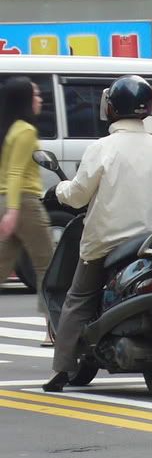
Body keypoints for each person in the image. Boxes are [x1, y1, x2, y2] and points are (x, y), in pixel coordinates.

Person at [43, 75, 152, 392]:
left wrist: (58, 192)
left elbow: (79, 194)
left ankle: (61, 369)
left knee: (78, 299)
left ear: (111, 108)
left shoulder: (102, 149)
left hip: (109, 243)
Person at [0, 77, 56, 346]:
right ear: (24, 100)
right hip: (24, 202)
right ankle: (52, 329)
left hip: (7, 201)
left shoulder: (9, 128)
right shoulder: (25, 131)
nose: (40, 99)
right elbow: (14, 172)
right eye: (35, 95)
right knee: (48, 265)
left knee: (1, 267)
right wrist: (13, 210)